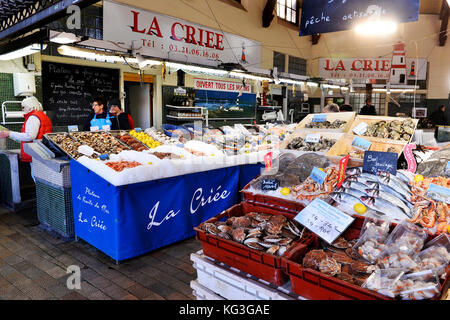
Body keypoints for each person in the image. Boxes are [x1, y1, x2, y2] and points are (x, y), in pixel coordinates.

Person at [0, 96, 52, 181]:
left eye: (23, 107)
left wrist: (10, 133)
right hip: (43, 152)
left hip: (36, 154)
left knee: (37, 179)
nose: (22, 109)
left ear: (30, 107)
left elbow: (30, 136)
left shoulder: (33, 117)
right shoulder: (42, 115)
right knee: (43, 181)